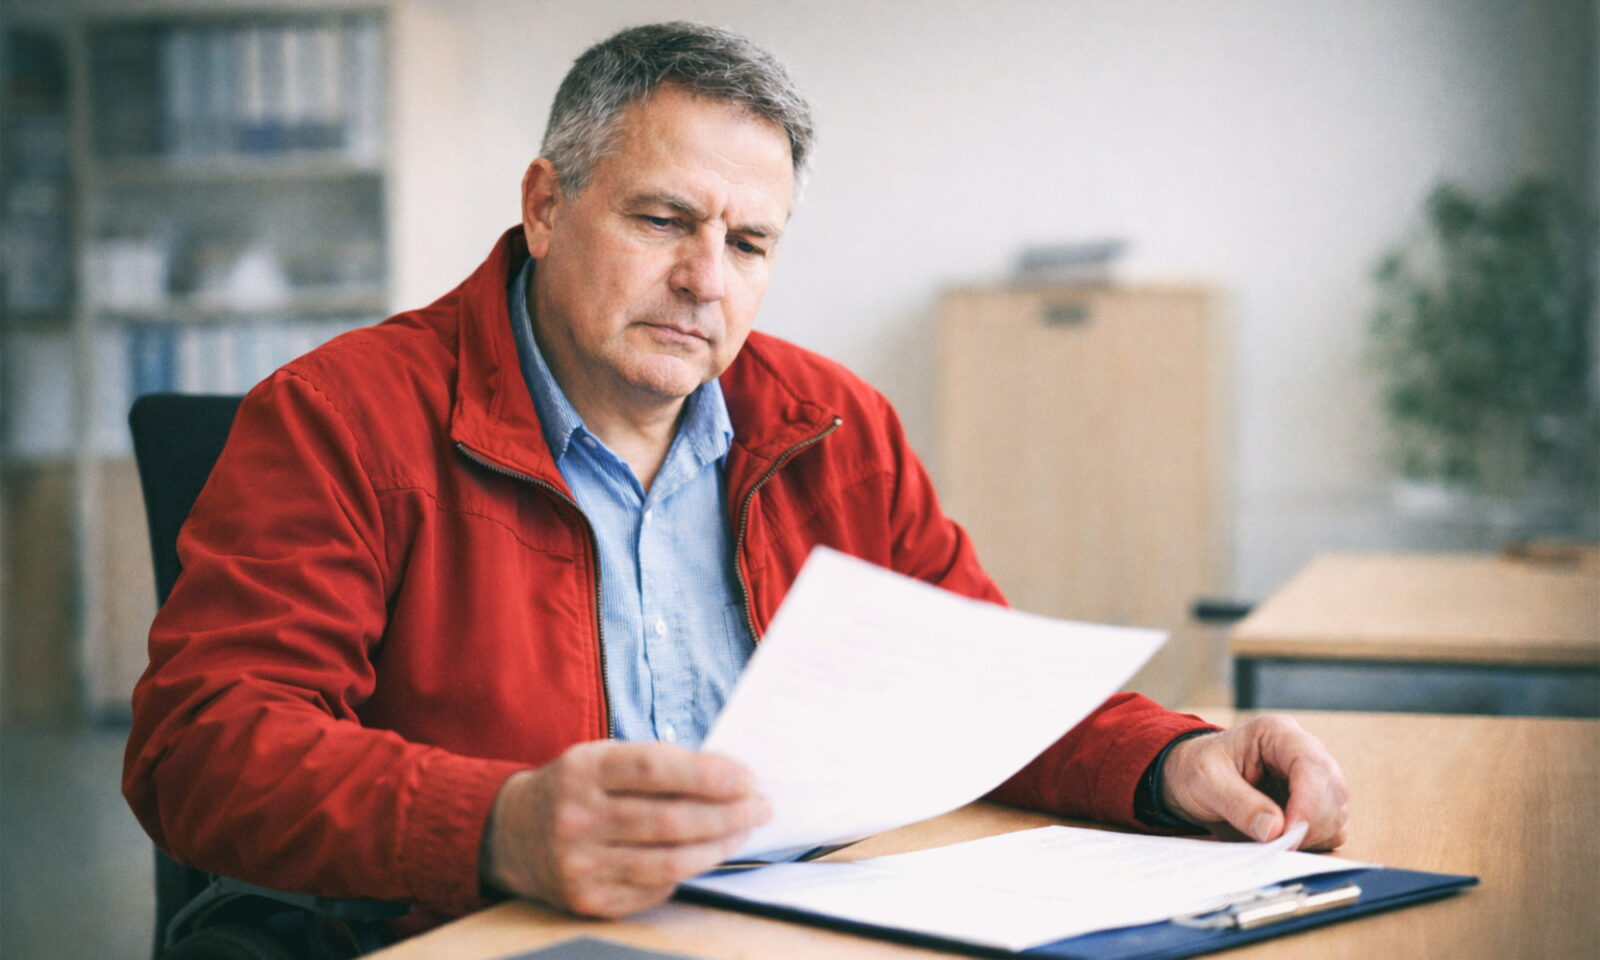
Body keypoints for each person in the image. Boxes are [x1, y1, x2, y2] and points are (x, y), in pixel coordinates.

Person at [124, 21, 1348, 937]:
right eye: (664, 220)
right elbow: (204, 746)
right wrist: (499, 825)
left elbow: (975, 684)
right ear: (546, 206)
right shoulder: (344, 414)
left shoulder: (831, 425)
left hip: (799, 929)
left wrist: (1169, 760)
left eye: (749, 241)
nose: (707, 278)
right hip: (480, 933)